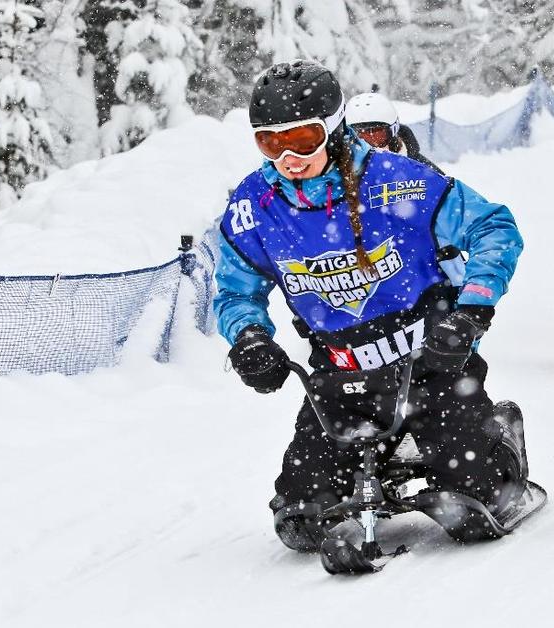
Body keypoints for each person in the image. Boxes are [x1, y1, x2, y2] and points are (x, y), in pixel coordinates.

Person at [213, 61, 527, 552]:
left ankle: (497, 437)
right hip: (339, 380)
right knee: (300, 522)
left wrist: (471, 313)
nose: (289, 157)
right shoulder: (254, 208)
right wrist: (249, 337)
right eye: (271, 143)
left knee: (473, 512)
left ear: (334, 127)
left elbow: (494, 229)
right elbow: (236, 288)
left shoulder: (399, 181)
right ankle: (377, 454)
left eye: (302, 138)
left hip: (432, 365)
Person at [345, 91, 444, 173]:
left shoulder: (423, 172)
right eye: (359, 138)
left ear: (393, 132)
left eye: (377, 136)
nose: (369, 147)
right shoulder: (339, 177)